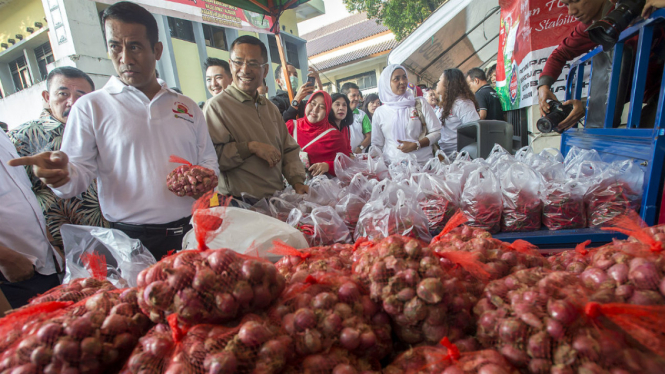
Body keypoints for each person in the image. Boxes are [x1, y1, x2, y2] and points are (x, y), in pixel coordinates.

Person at [9, 1, 220, 260]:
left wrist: (205, 180)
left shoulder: (186, 106)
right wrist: (60, 175)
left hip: (193, 229)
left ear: (157, 50)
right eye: (115, 47)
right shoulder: (91, 107)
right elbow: (77, 176)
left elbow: (208, 159)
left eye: (135, 46)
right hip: (131, 240)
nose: (125, 58)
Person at [8, 67, 108, 250]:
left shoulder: (102, 132)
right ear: (47, 97)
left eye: (81, 96)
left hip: (109, 236)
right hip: (61, 245)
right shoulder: (22, 138)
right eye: (63, 94)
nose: (72, 102)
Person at [204, 35, 308, 201]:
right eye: (238, 62)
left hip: (275, 200)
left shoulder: (270, 108)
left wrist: (296, 181)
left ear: (265, 70)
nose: (245, 70)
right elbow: (211, 158)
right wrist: (250, 147)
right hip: (240, 204)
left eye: (253, 64)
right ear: (230, 65)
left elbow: (288, 149)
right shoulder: (216, 107)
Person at [1, 131, 63, 308]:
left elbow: (24, 195)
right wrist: (5, 258)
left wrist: (51, 243)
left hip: (43, 261)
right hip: (11, 270)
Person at [372, 65, 442, 164]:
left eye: (404, 77)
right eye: (396, 79)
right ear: (387, 83)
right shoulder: (380, 112)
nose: (402, 81)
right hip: (393, 168)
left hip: (423, 164)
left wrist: (416, 145)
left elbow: (437, 132)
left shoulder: (420, 103)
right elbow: (377, 145)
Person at [286, 91, 352, 178]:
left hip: (316, 187)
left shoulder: (334, 136)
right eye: (313, 103)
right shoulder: (291, 126)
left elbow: (346, 162)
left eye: (322, 107)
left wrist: (327, 166)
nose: (315, 109)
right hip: (286, 185)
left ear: (327, 111)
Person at [437, 68, 480, 155]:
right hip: (444, 153)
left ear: (448, 83)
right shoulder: (445, 104)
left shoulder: (463, 104)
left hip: (459, 155)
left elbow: (475, 129)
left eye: (440, 80)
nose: (437, 83)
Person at [340, 82, 371, 154]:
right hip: (342, 158)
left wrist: (360, 147)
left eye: (358, 95)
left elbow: (369, 136)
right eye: (353, 95)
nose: (357, 99)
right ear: (344, 97)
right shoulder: (338, 115)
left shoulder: (362, 115)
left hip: (359, 158)